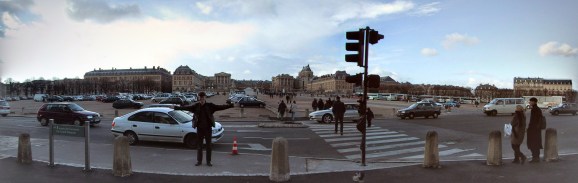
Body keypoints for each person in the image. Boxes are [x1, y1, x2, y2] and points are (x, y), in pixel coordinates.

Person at [174, 92, 233, 167]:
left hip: (208, 128)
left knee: (208, 146)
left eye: (203, 97)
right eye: (200, 97)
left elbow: (220, 107)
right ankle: (199, 161)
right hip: (199, 129)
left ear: (205, 97)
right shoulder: (196, 106)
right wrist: (177, 108)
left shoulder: (210, 106)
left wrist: (230, 106)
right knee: (199, 146)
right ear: (199, 98)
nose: (201, 99)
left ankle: (208, 161)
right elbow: (186, 108)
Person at [527, 97, 543, 163]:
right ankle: (536, 157)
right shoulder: (537, 109)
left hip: (534, 130)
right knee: (536, 143)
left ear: (534, 102)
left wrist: (529, 128)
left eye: (531, 101)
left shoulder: (534, 109)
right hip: (537, 129)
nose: (529, 102)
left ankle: (535, 158)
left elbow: (533, 121)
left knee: (533, 143)